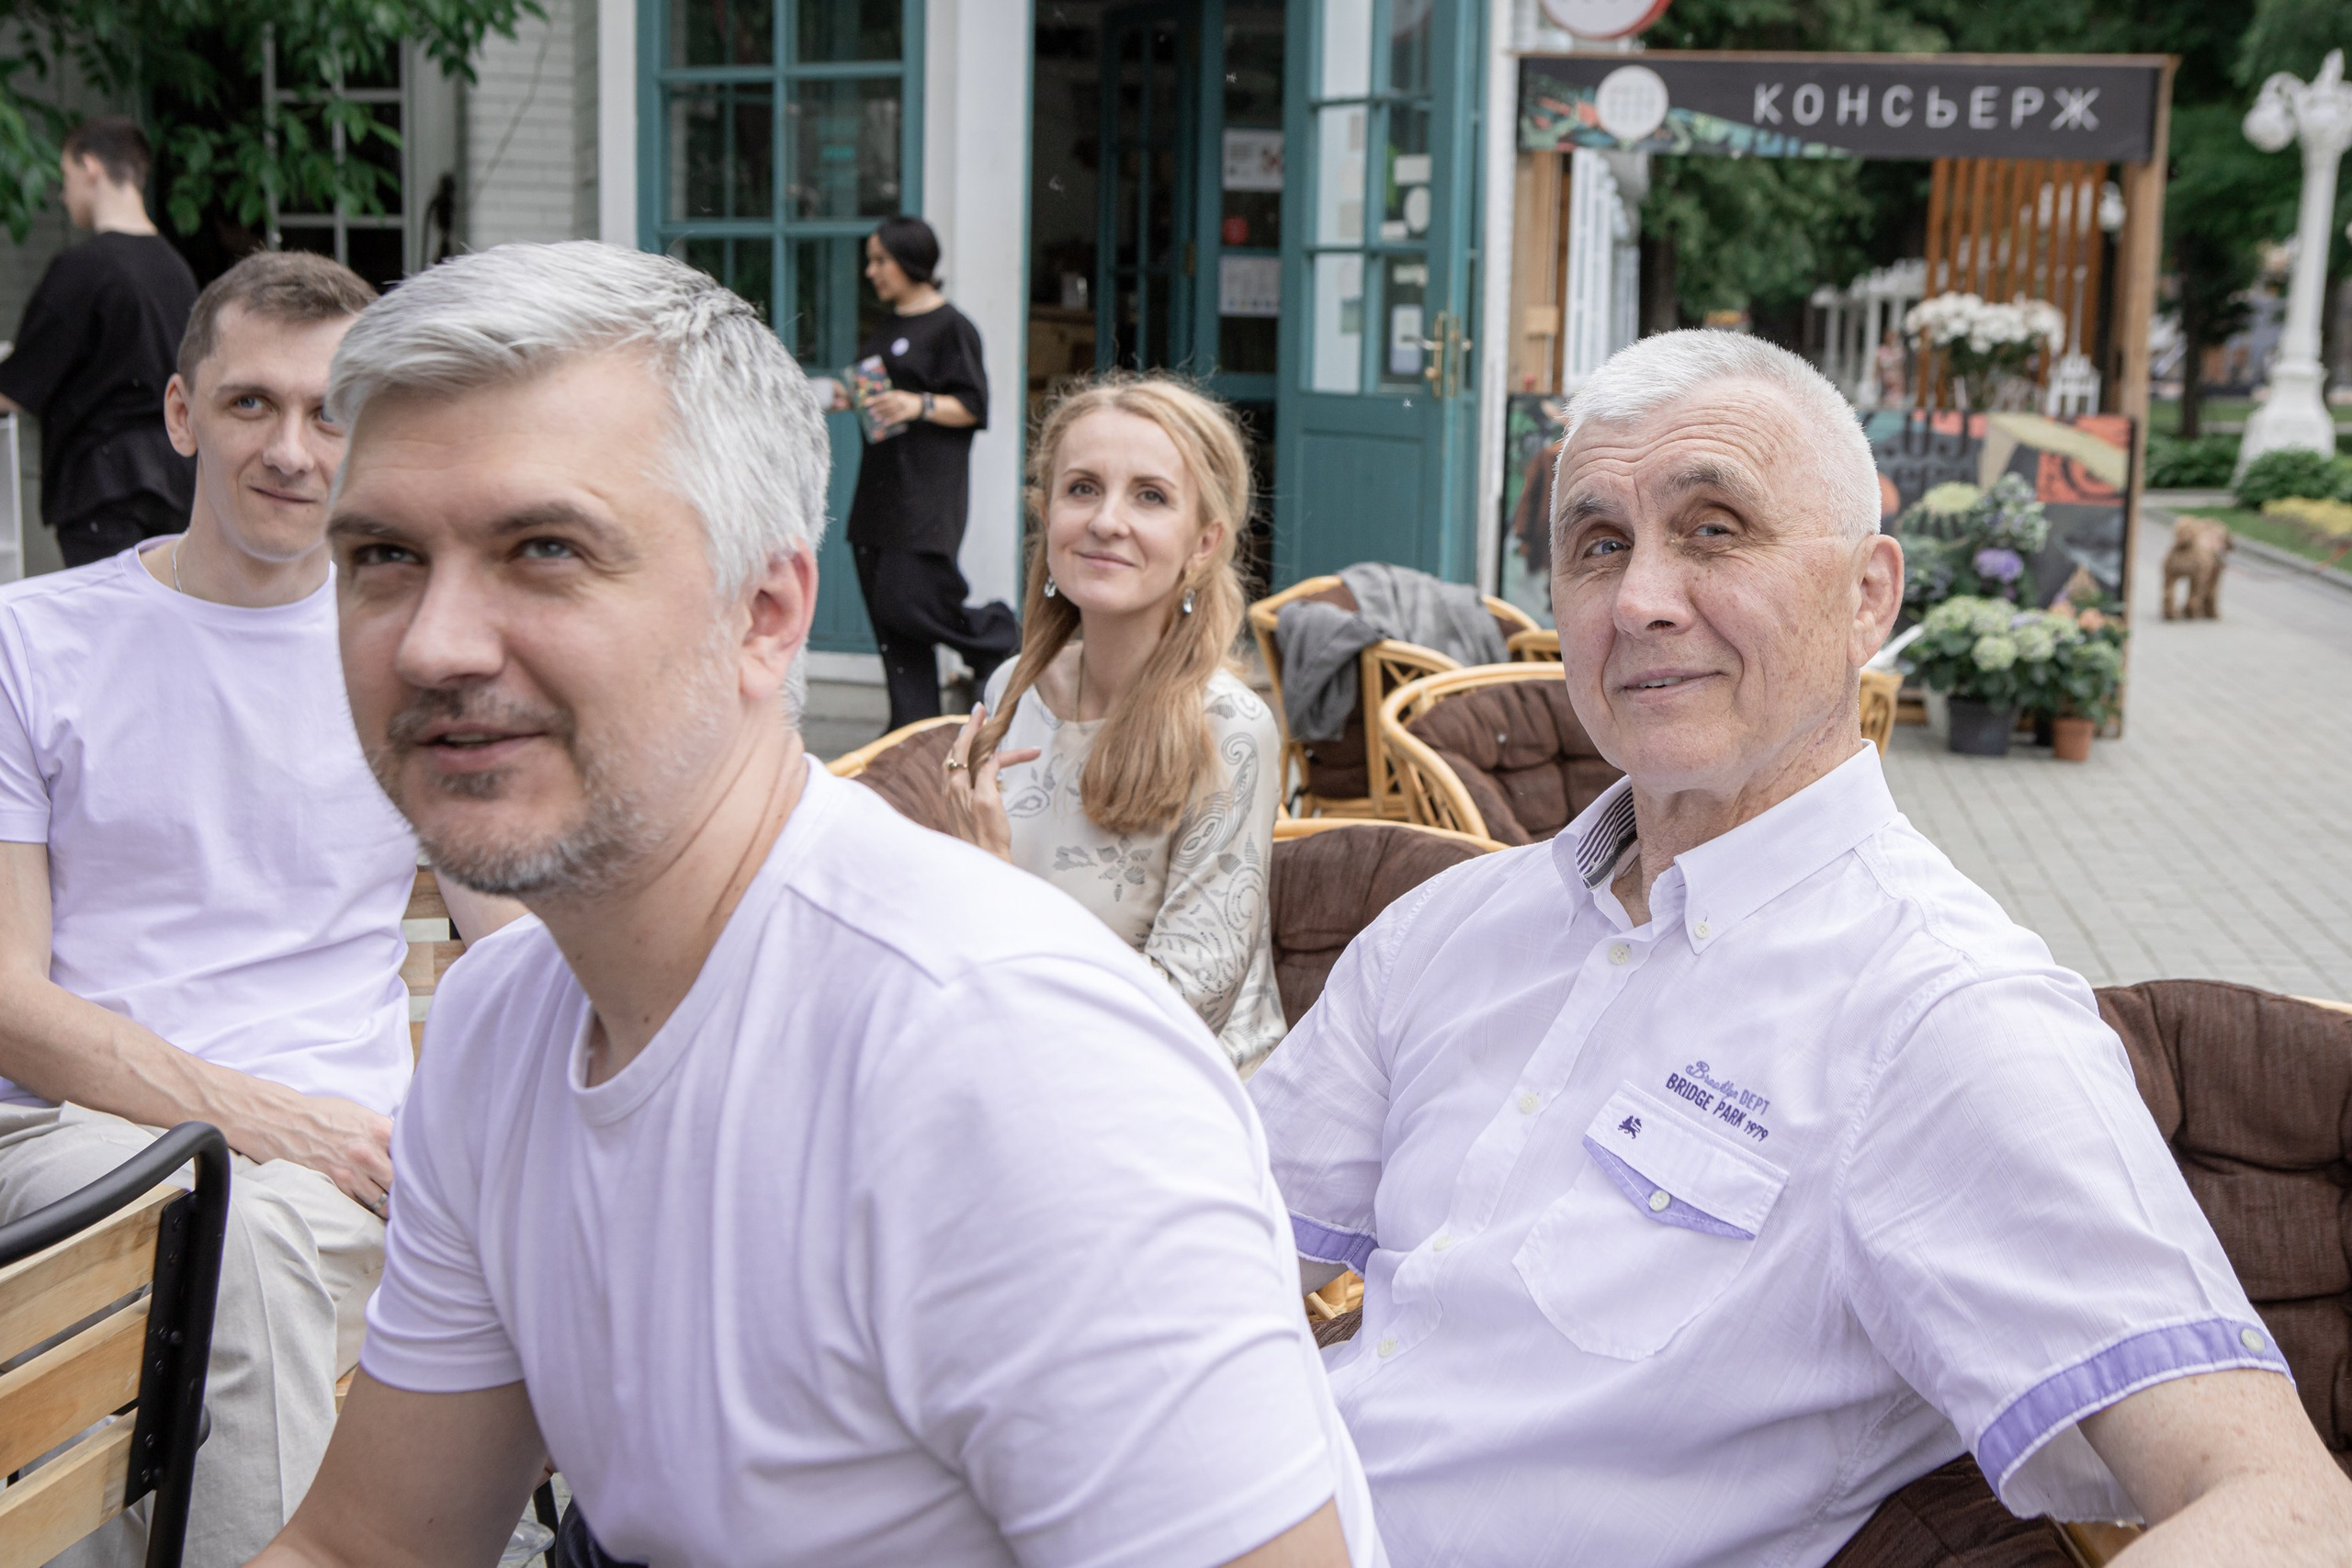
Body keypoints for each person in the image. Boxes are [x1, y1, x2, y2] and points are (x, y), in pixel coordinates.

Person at [249, 241, 1381, 1568]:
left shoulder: (1019, 1076)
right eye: (382, 554)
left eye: (544, 549)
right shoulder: (497, 1032)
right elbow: (367, 1542)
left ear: (768, 614)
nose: (435, 642)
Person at [1247, 330, 2352, 1566]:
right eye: (1598, 543)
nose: (1641, 597)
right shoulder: (1450, 928)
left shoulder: (1936, 1013)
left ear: (1870, 595)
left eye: (1715, 528)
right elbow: (1215, 1257)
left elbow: (2287, 1506)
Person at [0, 250, 515, 1568]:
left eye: (330, 410)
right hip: (79, 1134)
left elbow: (511, 933)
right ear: (182, 415)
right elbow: (8, 1000)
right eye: (249, 405)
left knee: (243, 1248)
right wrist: (250, 1113)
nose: (292, 449)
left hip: (346, 1154)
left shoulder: (417, 656)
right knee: (229, 1222)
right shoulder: (32, 642)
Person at [944, 375, 1287, 1069]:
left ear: (1202, 543)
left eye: (1150, 496)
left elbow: (1176, 1013)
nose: (1106, 520)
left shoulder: (1228, 730)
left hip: (1173, 1108)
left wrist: (991, 886)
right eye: (1082, 488)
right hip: (1015, 1062)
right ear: (1047, 514)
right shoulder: (1012, 690)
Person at [837, 213, 1019, 733]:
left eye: (880, 260)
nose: (870, 271)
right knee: (892, 633)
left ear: (911, 261)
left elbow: (973, 406)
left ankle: (997, 635)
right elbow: (868, 393)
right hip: (875, 495)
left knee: (906, 600)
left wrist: (916, 404)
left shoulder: (952, 328)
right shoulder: (887, 326)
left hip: (925, 498)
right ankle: (910, 733)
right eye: (869, 261)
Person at [0, 117, 199, 567]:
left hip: (102, 486)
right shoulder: (176, 270)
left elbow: (15, 389)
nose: (62, 193)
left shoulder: (83, 268)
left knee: (108, 629)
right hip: (176, 481)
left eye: (66, 177)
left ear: (91, 168)